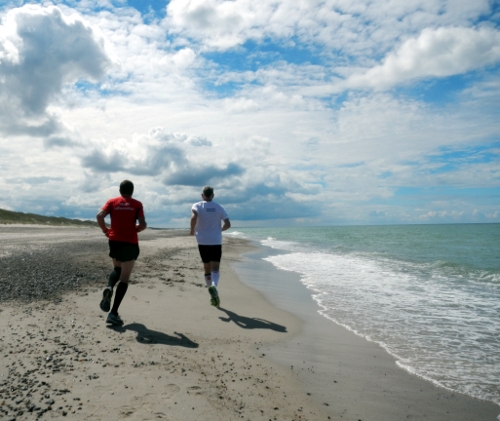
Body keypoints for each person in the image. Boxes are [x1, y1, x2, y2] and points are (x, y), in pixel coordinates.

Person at [96, 180, 147, 325]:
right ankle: (113, 313)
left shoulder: (112, 202)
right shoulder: (137, 204)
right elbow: (143, 224)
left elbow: (100, 216)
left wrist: (106, 230)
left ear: (120, 190)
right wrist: (137, 228)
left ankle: (109, 287)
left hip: (114, 240)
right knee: (124, 278)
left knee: (117, 269)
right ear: (132, 191)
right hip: (130, 242)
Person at [190, 186, 231, 307]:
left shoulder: (197, 205)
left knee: (206, 268)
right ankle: (214, 286)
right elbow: (228, 224)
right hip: (216, 241)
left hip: (202, 241)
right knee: (215, 268)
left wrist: (192, 230)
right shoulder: (219, 207)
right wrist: (219, 231)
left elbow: (194, 217)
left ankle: (212, 294)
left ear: (202, 195)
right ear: (213, 195)